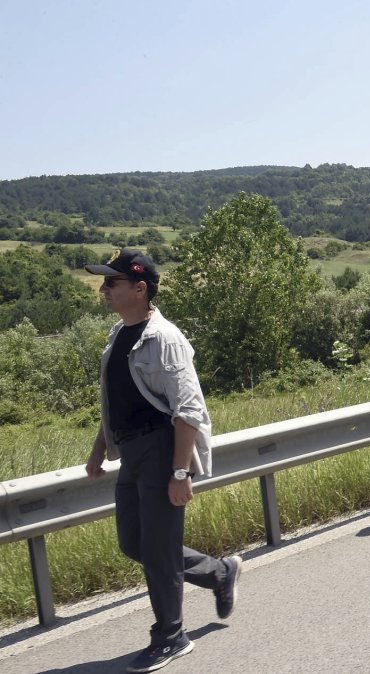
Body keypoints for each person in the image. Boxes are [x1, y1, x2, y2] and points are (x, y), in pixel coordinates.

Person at [83, 249, 241, 674]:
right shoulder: (120, 334)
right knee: (134, 543)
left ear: (140, 289)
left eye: (111, 283)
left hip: (162, 449)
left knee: (156, 549)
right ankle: (218, 573)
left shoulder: (165, 338)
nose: (104, 290)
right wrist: (100, 448)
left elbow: (188, 409)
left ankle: (171, 636)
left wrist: (178, 471)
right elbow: (117, 399)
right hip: (131, 451)